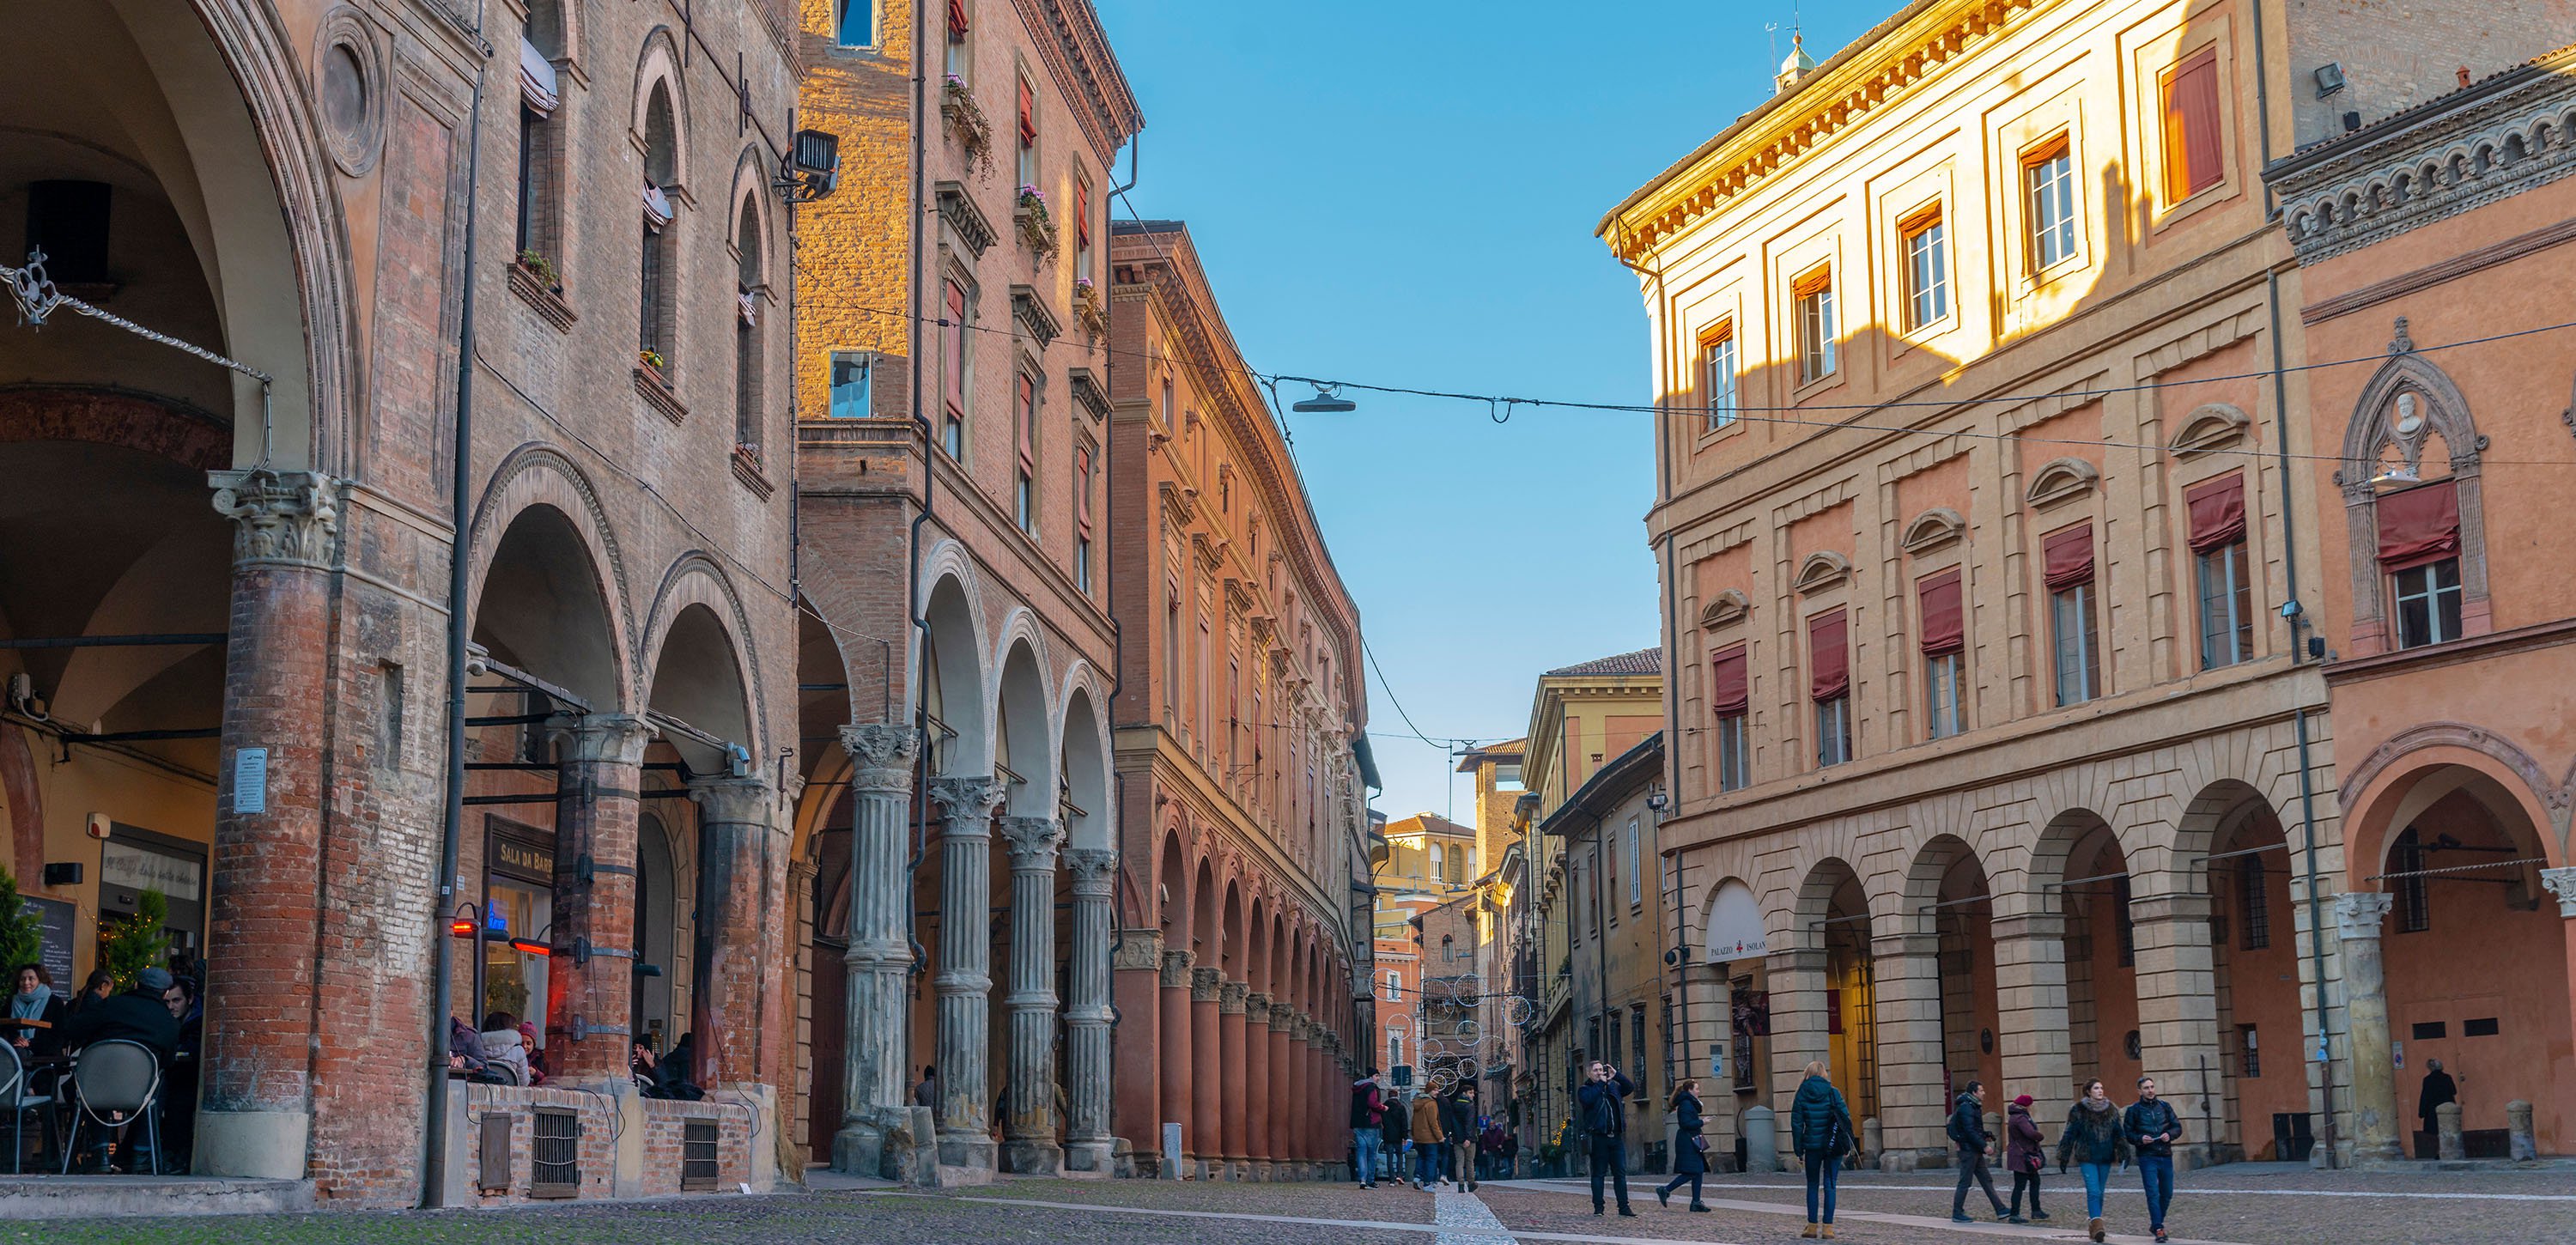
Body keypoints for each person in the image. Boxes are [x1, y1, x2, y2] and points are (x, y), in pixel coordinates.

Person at [56, 968, 181, 1174]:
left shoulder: (111, 1005)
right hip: (140, 1093)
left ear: (136, 985)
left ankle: (100, 1154)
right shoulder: (169, 1023)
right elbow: (167, 1062)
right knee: (159, 1082)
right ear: (165, 993)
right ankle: (141, 1154)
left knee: (98, 1077)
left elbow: (72, 1029)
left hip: (97, 1088)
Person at [2055, 1078, 2131, 1244]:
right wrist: (2064, 1155)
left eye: (2102, 1088)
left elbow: (2118, 1132)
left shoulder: (2111, 1109)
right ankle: (2098, 1226)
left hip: (2105, 1156)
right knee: (2094, 1191)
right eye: (2096, 1088)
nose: (2100, 1091)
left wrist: (2124, 1151)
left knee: (2101, 1193)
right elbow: (2070, 1133)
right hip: (2086, 1156)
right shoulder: (2078, 1109)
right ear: (2088, 1091)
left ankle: (2094, 1224)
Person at [1789, 1060, 1856, 1240]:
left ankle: (1812, 1227)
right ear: (1824, 1074)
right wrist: (1847, 1145)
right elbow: (1845, 1119)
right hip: (1833, 1145)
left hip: (1812, 1146)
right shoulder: (1833, 1092)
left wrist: (1798, 1150)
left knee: (1812, 1185)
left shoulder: (1801, 1094)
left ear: (1808, 1074)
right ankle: (1828, 1228)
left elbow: (1796, 1124)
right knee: (1830, 1185)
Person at [2123, 1076, 2183, 1244]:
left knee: (2167, 1193)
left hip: (2165, 1154)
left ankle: (2156, 1222)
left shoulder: (2164, 1107)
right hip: (2147, 1156)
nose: (2150, 1090)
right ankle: (2158, 1228)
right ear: (2140, 1091)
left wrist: (2169, 1135)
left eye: (2152, 1087)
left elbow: (2177, 1127)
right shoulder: (2133, 1110)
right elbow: (2128, 1133)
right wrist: (2141, 1138)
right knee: (2152, 1193)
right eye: (2146, 1088)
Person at [1577, 1060, 1635, 1217]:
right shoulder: (1585, 1089)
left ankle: (1624, 1207)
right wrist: (1600, 1085)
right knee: (1598, 1174)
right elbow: (1588, 1100)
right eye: (1595, 1070)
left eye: (1600, 1070)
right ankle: (1599, 1208)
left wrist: (1617, 1075)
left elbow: (1630, 1088)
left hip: (1616, 1137)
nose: (1599, 1073)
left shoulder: (1613, 1087)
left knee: (1620, 1174)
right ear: (1589, 1073)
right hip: (1598, 1138)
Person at [1949, 1079, 2011, 1223]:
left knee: (1986, 1180)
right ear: (1974, 1092)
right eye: (1981, 1091)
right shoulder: (1967, 1107)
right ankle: (1957, 1213)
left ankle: (2000, 1209)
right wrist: (1984, 1145)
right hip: (1968, 1150)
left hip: (1974, 1149)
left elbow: (1974, 1129)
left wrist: (1985, 1135)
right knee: (1965, 1181)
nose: (1984, 1093)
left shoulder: (1974, 1106)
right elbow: (1969, 1131)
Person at [1656, 1078, 1711, 1212]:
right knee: (1693, 1171)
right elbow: (1685, 1124)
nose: (1699, 1091)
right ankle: (1665, 1189)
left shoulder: (1689, 1103)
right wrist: (1702, 1122)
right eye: (1697, 1089)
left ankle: (1696, 1202)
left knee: (1698, 1170)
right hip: (1688, 1141)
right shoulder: (1686, 1104)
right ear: (1689, 1090)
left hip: (1693, 1139)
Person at [2004, 1093, 2050, 1225]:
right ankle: (2015, 1214)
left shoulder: (2016, 1116)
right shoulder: (2020, 1118)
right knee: (2020, 1185)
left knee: (2034, 1181)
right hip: (2022, 1157)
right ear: (2026, 1105)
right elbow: (2030, 1133)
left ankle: (2036, 1210)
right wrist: (2040, 1136)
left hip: (2024, 1156)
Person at [8, 964, 67, 1058]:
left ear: (41, 980)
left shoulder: (55, 1002)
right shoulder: (11, 1001)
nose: (26, 982)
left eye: (31, 979)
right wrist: (16, 1039)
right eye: (22, 979)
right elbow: (4, 1029)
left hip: (45, 1057)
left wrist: (29, 1043)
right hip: (14, 1050)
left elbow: (58, 1036)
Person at [1348, 1067, 1387, 1187]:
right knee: (1371, 1154)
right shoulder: (1371, 1088)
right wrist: (1383, 1108)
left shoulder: (1357, 1088)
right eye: (1376, 1076)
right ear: (1371, 1077)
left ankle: (1362, 1180)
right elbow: (1372, 1103)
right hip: (1371, 1123)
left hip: (1358, 1124)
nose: (1378, 1078)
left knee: (1361, 1153)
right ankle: (1370, 1180)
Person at [1440, 1082, 1479, 1191]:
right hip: (1468, 1139)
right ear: (1465, 1093)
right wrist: (1468, 1137)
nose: (1473, 1095)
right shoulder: (1470, 1106)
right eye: (1471, 1093)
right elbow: (1470, 1123)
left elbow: (1451, 1122)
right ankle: (1471, 1183)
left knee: (1459, 1162)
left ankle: (1461, 1185)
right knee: (1469, 1161)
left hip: (1457, 1138)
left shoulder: (1455, 1105)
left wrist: (1452, 1134)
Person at [477, 1011, 530, 1086]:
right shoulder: (518, 1051)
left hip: (480, 1095)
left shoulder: (475, 1048)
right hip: (510, 1096)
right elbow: (524, 1083)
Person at [2419, 1058, 2458, 1154]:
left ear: (2430, 1068)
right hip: (2447, 1108)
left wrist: (2422, 1112)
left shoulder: (2427, 1080)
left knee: (2436, 1132)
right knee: (2448, 1129)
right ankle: (2450, 1150)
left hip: (2433, 1109)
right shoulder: (2447, 1077)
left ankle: (2439, 1151)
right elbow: (2454, 1091)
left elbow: (2425, 1096)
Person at [1380, 1080, 1412, 1187]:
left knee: (1389, 1157)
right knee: (1399, 1156)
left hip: (1388, 1135)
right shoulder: (1401, 1107)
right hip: (1398, 1136)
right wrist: (1405, 1136)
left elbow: (1382, 1121)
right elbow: (1404, 1122)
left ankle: (1391, 1179)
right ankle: (1399, 1175)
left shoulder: (1384, 1107)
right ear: (1397, 1096)